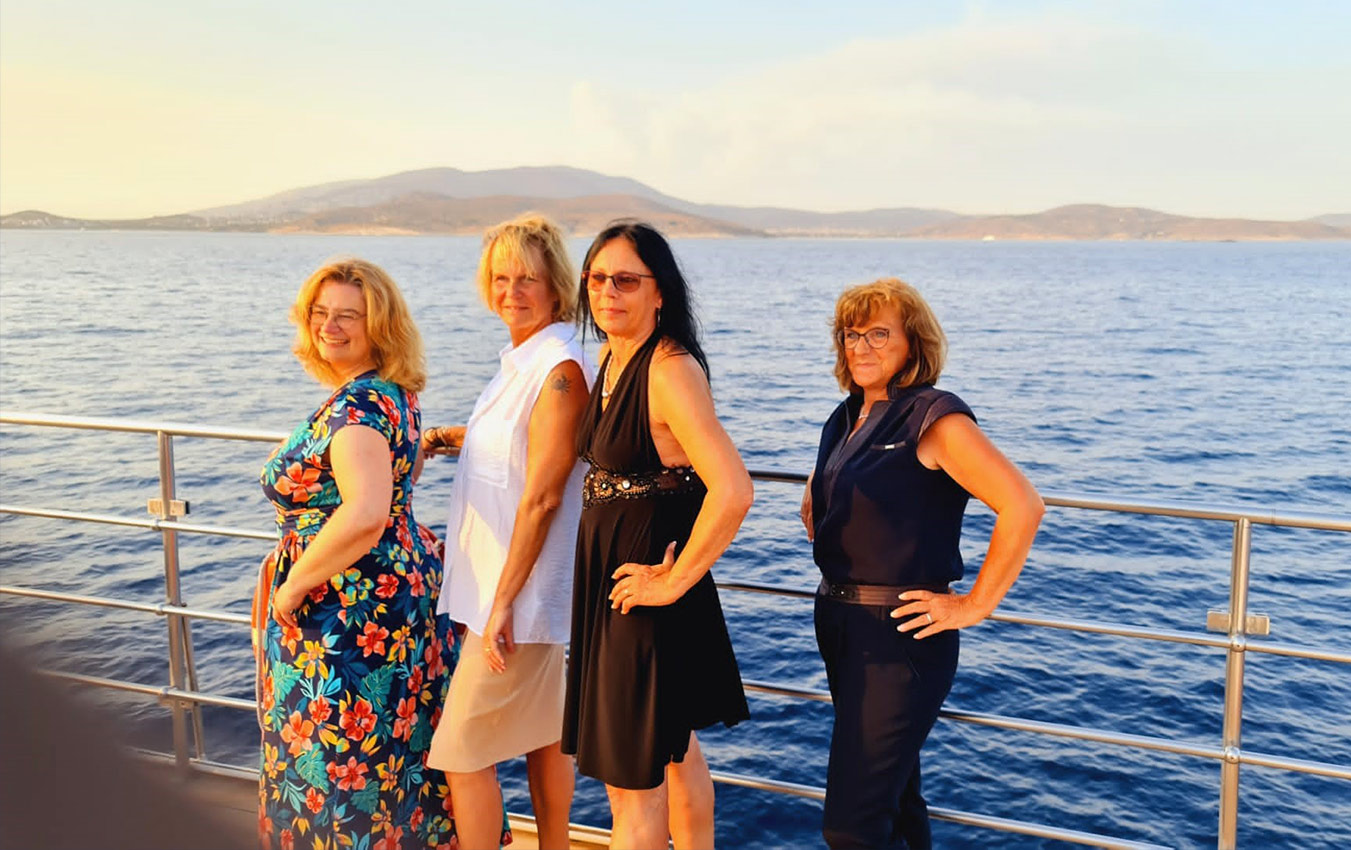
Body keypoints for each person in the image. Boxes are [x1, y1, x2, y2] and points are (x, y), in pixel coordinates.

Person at [800, 278, 1045, 850]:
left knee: (852, 827)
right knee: (896, 805)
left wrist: (975, 605)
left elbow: (1022, 505)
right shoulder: (846, 419)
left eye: (878, 333)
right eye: (850, 334)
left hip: (900, 637)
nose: (860, 346)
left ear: (915, 343)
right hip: (842, 627)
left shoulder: (933, 417)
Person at [253, 258, 457, 850]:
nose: (330, 326)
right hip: (393, 595)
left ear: (380, 326)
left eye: (348, 315)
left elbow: (366, 512)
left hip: (345, 612)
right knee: (393, 758)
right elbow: (393, 485)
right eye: (320, 313)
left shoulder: (357, 408)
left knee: (340, 762)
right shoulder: (395, 395)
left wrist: (292, 587)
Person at [563, 220, 753, 850]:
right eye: (596, 279)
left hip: (641, 593)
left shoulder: (667, 369)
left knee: (632, 795)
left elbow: (733, 489)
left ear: (659, 291)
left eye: (625, 280)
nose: (607, 292)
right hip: (622, 584)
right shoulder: (614, 358)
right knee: (676, 755)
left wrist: (671, 584)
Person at [420, 215, 591, 850]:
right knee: (546, 732)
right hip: (505, 589)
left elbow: (544, 493)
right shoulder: (523, 362)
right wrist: (447, 437)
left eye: (527, 278)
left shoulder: (560, 369)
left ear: (555, 287)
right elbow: (520, 445)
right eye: (500, 277)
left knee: (461, 751)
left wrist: (501, 604)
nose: (511, 290)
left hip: (515, 595)